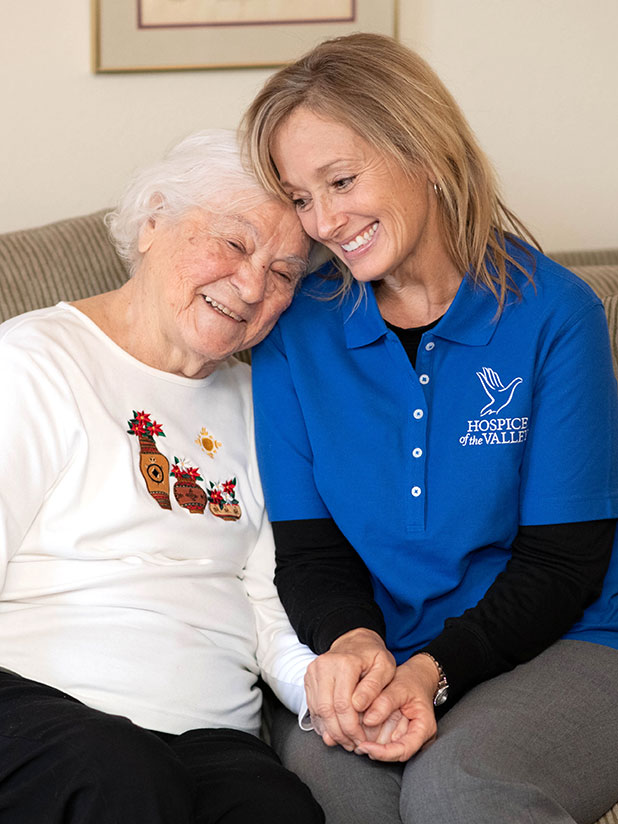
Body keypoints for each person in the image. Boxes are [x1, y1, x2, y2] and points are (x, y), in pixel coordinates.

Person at [240, 33, 618, 824]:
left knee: (459, 788)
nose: (326, 222)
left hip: (573, 640)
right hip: (376, 647)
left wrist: (433, 675)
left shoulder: (557, 314)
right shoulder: (293, 331)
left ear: (426, 150)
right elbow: (310, 553)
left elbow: (563, 562)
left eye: (341, 180)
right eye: (302, 197)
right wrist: (355, 648)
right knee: (340, 789)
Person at [0, 130, 325, 824]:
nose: (250, 286)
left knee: (279, 811)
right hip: (45, 712)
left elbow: (266, 599)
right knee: (121, 777)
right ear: (153, 220)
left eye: (284, 273)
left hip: (210, 739)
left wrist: (320, 687)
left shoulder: (261, 402)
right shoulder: (35, 363)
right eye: (235, 244)